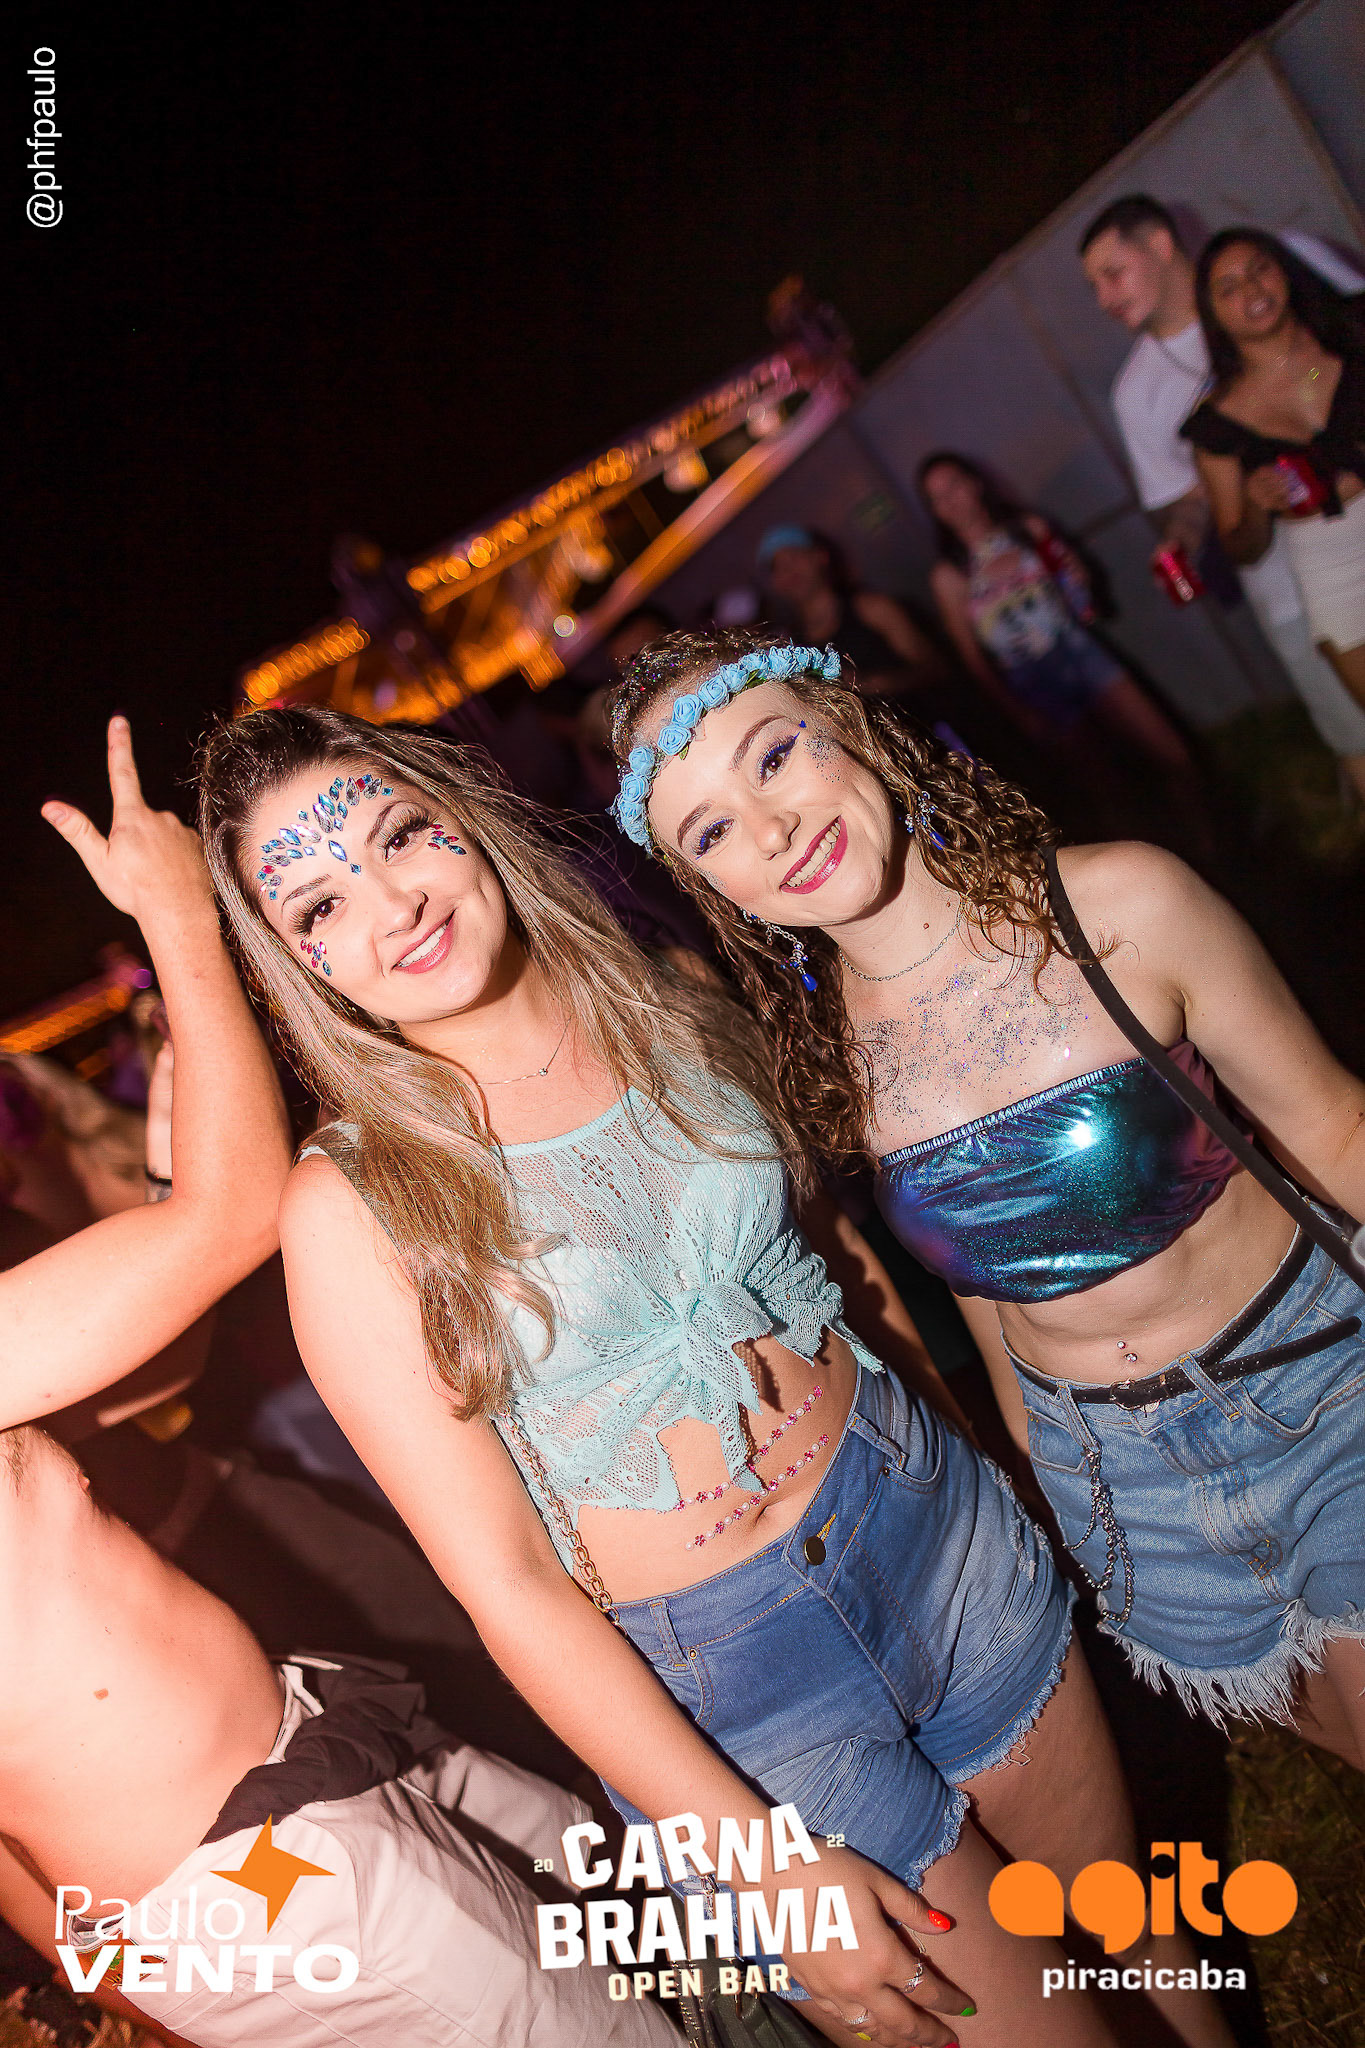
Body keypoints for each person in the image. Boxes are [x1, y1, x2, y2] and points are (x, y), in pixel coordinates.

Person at [196, 702, 1236, 2048]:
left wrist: (986, 1462)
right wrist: (763, 1862)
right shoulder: (352, 1211)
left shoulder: (666, 995)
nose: (395, 906)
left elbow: (835, 1267)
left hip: (929, 1525)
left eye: (401, 835)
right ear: (297, 965)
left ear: (467, 817)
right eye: (322, 906)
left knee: (1136, 1936)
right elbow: (508, 1586)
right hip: (740, 1710)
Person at [0, 719, 669, 2048]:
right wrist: (179, 915)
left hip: (294, 1775)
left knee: (658, 1915)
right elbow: (237, 1213)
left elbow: (142, 1378)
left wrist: (107, 1967)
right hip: (267, 1877)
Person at [606, 628, 1365, 1765]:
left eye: (773, 756)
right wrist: (1047, 1478)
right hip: (1109, 1470)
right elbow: (984, 1288)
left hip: (1307, 1378)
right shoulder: (830, 1061)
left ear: (849, 726)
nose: (770, 829)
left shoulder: (1117, 905)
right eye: (710, 831)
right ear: (711, 889)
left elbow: (1334, 1124)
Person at [1080, 193, 1365, 799]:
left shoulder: (1284, 263)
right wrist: (1182, 538)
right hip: (1289, 581)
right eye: (1095, 287)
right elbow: (1189, 497)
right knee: (1356, 734)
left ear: (1160, 245)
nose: (1104, 299)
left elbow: (1348, 343)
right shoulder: (1137, 393)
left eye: (1112, 274)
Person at [916, 452, 1198, 794]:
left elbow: (1082, 597)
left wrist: (1080, 580)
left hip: (1080, 649)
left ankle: (1206, 819)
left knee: (1170, 752)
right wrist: (1016, 711)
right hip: (1032, 681)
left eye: (953, 485)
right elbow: (972, 658)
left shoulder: (1028, 528)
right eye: (937, 497)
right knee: (1102, 787)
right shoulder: (950, 574)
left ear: (975, 483)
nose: (950, 500)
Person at [1181, 228, 1365, 717]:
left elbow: (1318, 372)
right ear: (1212, 312)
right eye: (1229, 287)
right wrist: (1257, 504)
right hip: (1333, 566)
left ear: (1284, 270)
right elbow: (1241, 546)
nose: (1252, 290)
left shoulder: (1352, 331)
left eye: (1260, 268)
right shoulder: (1217, 423)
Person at [757, 526, 946, 699]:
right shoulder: (790, 645)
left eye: (794, 557)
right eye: (778, 567)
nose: (789, 570)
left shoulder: (869, 607)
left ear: (820, 557)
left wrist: (873, 684)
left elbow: (935, 668)